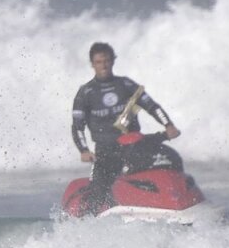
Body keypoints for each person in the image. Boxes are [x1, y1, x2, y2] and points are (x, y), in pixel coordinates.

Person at [71, 41, 180, 211]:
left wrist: (168, 125)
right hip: (106, 152)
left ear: (113, 60)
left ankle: (174, 203)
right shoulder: (86, 92)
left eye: (107, 61)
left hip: (134, 147)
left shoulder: (125, 85)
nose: (104, 66)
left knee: (168, 161)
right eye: (99, 62)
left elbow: (151, 106)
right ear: (92, 64)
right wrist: (84, 150)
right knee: (98, 194)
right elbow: (77, 126)